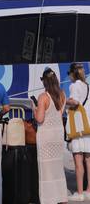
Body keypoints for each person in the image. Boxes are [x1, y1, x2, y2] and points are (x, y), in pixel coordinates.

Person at [34, 68, 68, 204]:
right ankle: (61, 197)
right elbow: (59, 114)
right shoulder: (63, 94)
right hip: (58, 134)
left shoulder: (43, 97)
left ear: (45, 81)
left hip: (46, 135)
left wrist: (34, 109)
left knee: (46, 169)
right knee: (58, 167)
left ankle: (49, 199)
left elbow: (40, 119)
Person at [66, 63, 90, 201]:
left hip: (78, 127)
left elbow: (75, 102)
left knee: (78, 159)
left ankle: (79, 193)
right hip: (87, 125)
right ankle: (88, 190)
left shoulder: (74, 86)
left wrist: (64, 100)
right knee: (88, 159)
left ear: (72, 74)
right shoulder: (87, 86)